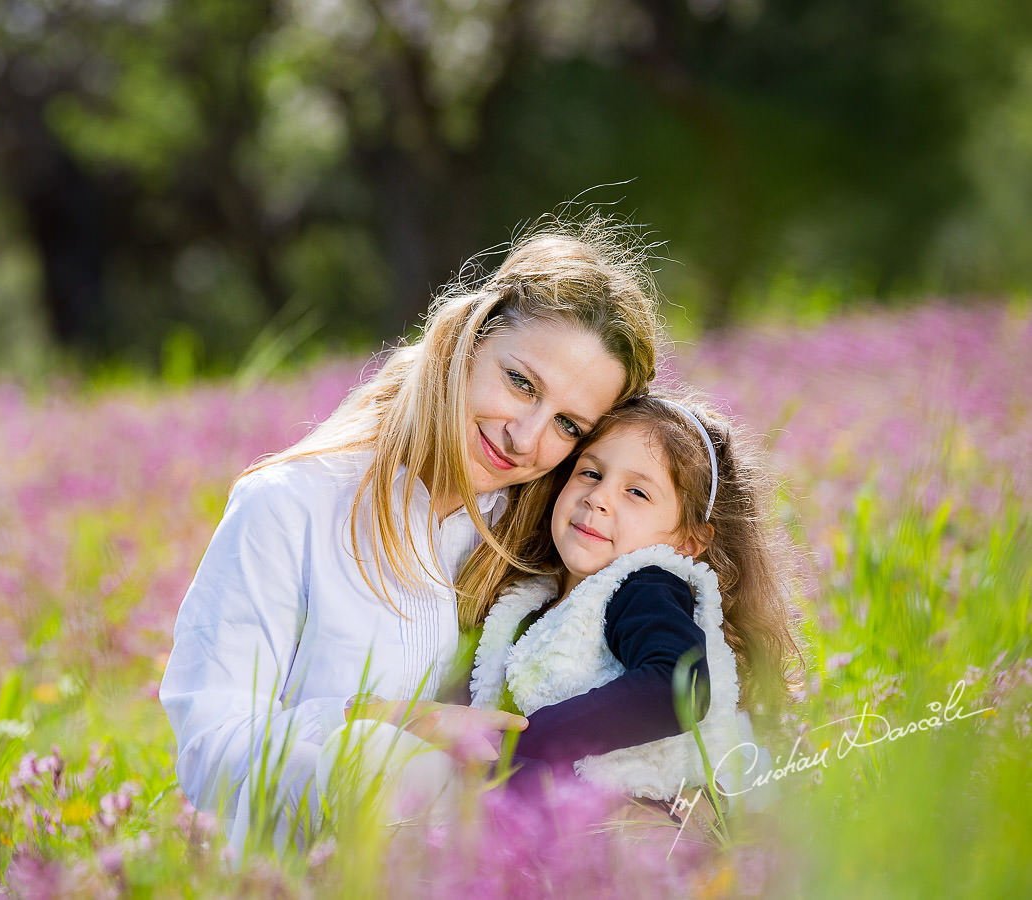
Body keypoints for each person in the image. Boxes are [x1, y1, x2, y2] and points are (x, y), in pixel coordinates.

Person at [159, 215, 663, 850]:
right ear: (468, 339)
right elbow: (212, 750)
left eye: (567, 424)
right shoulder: (290, 507)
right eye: (519, 383)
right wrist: (392, 727)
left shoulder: (547, 546)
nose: (526, 437)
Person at [463, 392, 802, 809]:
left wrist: (528, 737)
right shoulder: (536, 601)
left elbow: (680, 685)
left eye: (636, 492)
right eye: (590, 473)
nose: (598, 497)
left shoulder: (644, 585)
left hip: (641, 817)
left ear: (688, 541)